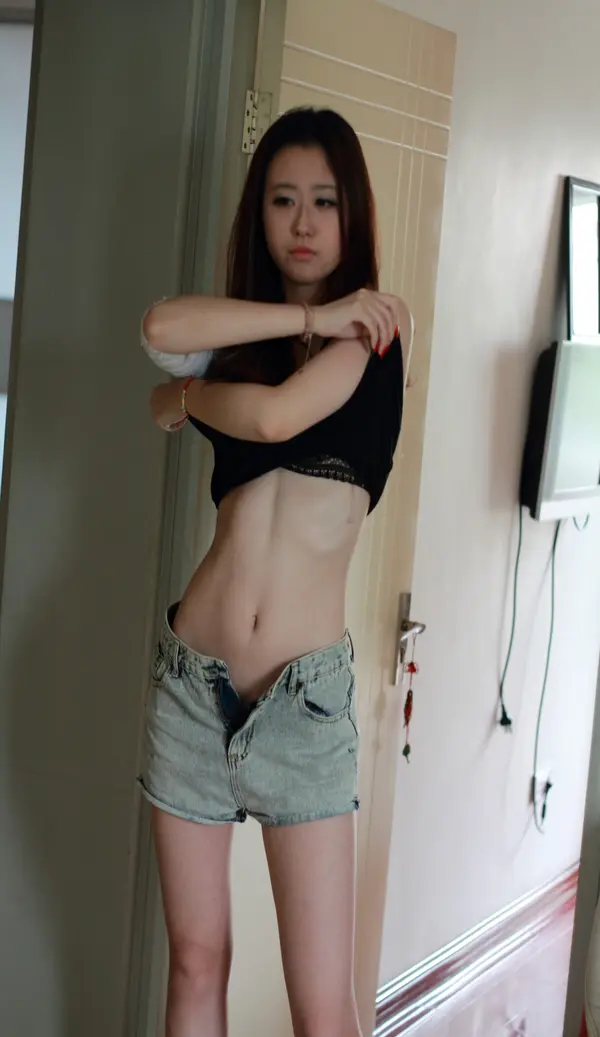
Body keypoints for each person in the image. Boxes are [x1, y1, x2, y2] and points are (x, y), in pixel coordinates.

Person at [139, 106, 413, 1037]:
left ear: (353, 213)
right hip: (192, 685)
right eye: (282, 199)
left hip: (304, 706)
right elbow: (160, 324)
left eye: (324, 201)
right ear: (259, 214)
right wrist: (300, 314)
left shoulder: (377, 330)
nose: (303, 223)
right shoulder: (246, 336)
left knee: (322, 1008)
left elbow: (272, 419)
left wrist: (187, 395)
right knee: (194, 960)